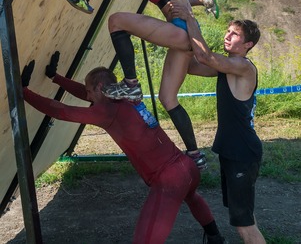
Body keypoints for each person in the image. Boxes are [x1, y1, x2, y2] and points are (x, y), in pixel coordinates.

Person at [21, 54, 226, 244]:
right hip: (186, 167)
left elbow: (63, 111)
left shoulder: (105, 111)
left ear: (100, 87)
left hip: (169, 178)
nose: (88, 96)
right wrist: (55, 77)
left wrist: (24, 93)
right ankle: (216, 238)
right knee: (192, 197)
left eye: (90, 91)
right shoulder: (124, 95)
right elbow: (86, 94)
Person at [102, 0, 219, 170]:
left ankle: (131, 85)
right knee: (167, 98)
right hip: (183, 35)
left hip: (181, 31)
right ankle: (196, 155)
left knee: (116, 20)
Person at [168, 2, 266, 244]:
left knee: (244, 226)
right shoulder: (226, 67)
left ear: (248, 45)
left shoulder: (242, 67)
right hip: (233, 152)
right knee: (245, 216)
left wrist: (190, 18)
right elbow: (192, 65)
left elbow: (204, 56)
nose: (227, 35)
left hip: (242, 153)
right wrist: (176, 42)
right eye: (228, 31)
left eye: (235, 34)